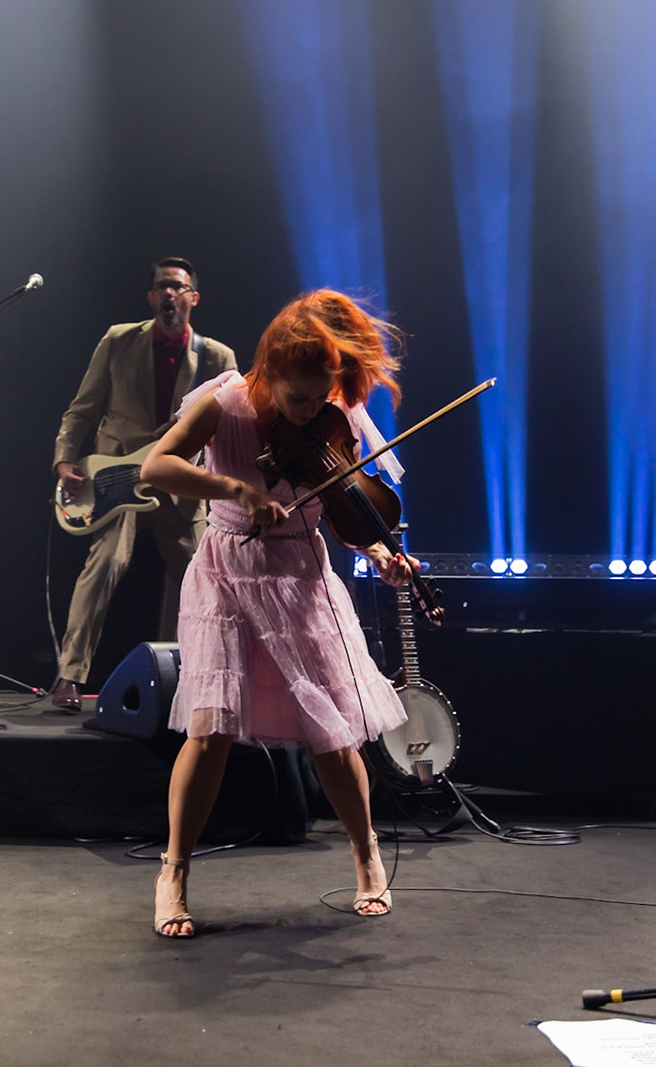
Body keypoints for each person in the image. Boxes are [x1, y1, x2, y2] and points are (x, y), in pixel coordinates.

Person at [137, 289, 418, 938]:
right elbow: (156, 466)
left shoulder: (334, 410)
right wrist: (233, 487)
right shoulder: (224, 404)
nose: (312, 410)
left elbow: (347, 508)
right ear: (268, 375)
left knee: (332, 729)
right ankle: (173, 870)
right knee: (209, 729)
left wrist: (378, 549)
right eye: (299, 399)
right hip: (228, 573)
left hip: (300, 576)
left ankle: (366, 853)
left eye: (322, 398)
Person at [51, 258, 238, 711]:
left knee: (202, 576)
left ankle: (181, 679)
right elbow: (82, 409)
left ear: (193, 297)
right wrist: (64, 461)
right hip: (115, 478)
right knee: (105, 564)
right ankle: (69, 677)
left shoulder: (217, 357)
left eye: (178, 287)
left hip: (177, 479)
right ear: (151, 297)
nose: (169, 294)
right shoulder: (118, 341)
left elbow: (229, 431)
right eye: (161, 287)